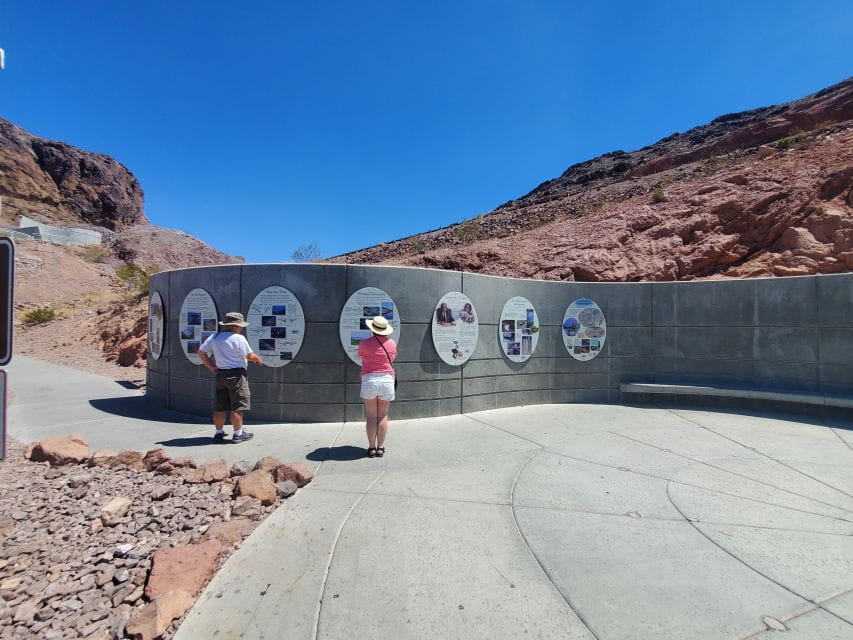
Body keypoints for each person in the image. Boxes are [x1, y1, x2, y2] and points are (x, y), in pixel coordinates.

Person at [198, 312, 264, 443]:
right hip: (237, 375)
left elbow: (201, 352)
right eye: (240, 326)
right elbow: (249, 356)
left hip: (220, 375)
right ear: (235, 326)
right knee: (238, 406)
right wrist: (258, 359)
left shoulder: (215, 336)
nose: (241, 328)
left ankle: (218, 432)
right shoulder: (238, 338)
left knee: (220, 406)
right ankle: (238, 434)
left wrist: (211, 367)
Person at [357, 315, 397, 458]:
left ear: (372, 329)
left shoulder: (363, 343)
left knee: (371, 416)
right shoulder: (392, 343)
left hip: (370, 380)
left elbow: (360, 356)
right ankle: (380, 447)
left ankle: (371, 448)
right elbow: (392, 358)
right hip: (387, 380)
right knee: (383, 416)